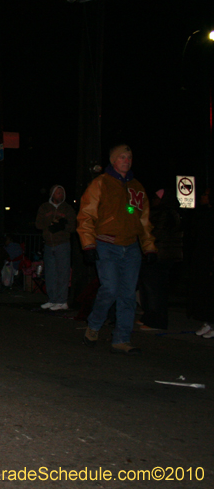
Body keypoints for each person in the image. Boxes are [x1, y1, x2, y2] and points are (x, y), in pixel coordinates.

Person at [77, 144, 157, 355]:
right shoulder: (100, 183)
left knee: (128, 295)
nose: (126, 160)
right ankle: (94, 325)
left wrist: (149, 247)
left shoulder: (137, 187)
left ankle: (121, 339)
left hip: (131, 247)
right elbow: (86, 215)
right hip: (106, 244)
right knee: (110, 289)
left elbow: (144, 219)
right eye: (121, 157)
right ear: (113, 161)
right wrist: (88, 243)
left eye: (129, 157)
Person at [137, 188, 182, 330]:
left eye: (156, 198)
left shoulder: (166, 214)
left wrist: (146, 241)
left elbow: (156, 234)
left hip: (159, 255)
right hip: (159, 254)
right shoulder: (166, 213)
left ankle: (157, 321)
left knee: (155, 289)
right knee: (150, 288)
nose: (154, 200)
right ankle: (149, 316)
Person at [34, 185, 77, 311]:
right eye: (58, 193)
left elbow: (73, 226)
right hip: (48, 244)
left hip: (62, 244)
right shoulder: (44, 207)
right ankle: (52, 299)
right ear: (52, 194)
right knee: (50, 273)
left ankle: (62, 301)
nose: (60, 195)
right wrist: (50, 223)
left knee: (62, 273)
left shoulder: (67, 208)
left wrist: (62, 226)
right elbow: (38, 224)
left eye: (62, 193)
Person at [187, 188, 214, 338]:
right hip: (202, 255)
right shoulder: (203, 213)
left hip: (209, 256)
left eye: (206, 195)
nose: (202, 197)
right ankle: (208, 321)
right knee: (203, 289)